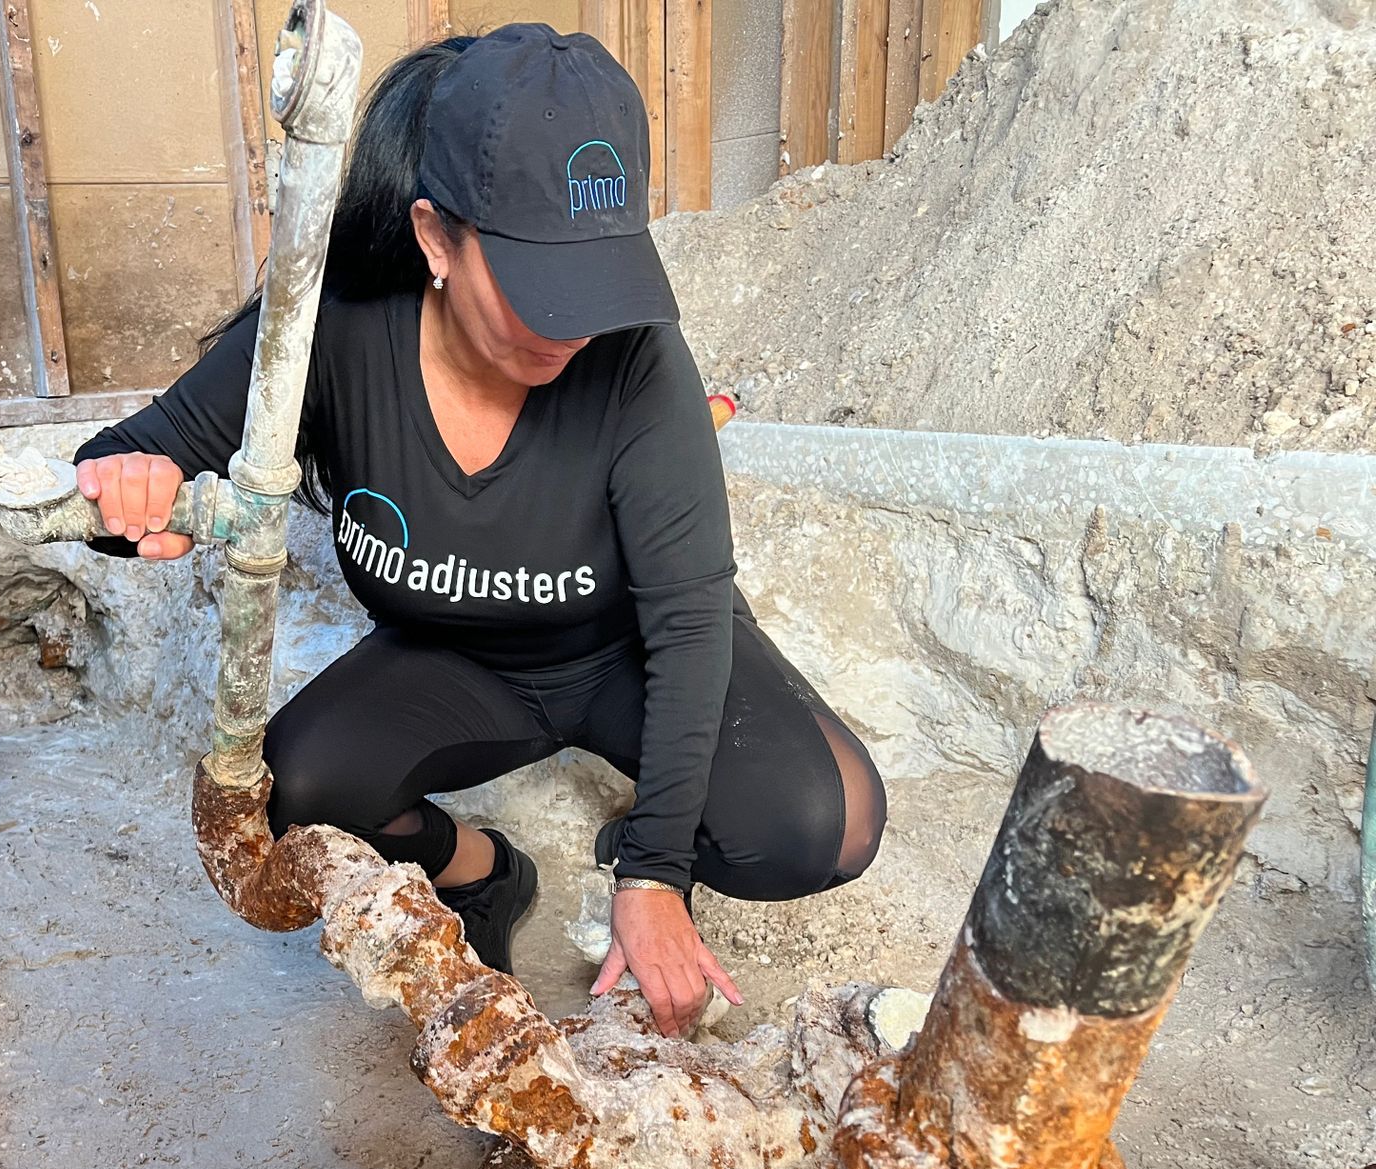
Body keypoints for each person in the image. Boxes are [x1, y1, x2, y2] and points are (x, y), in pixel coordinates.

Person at [72, 24, 885, 1037]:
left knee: (827, 825)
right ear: (435, 238)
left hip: (625, 649)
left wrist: (655, 874)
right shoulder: (327, 332)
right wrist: (134, 492)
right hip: (459, 664)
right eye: (538, 284)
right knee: (301, 799)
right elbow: (124, 461)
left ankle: (639, 833)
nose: (570, 327)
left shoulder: (638, 361)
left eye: (596, 281)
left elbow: (687, 628)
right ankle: (485, 876)